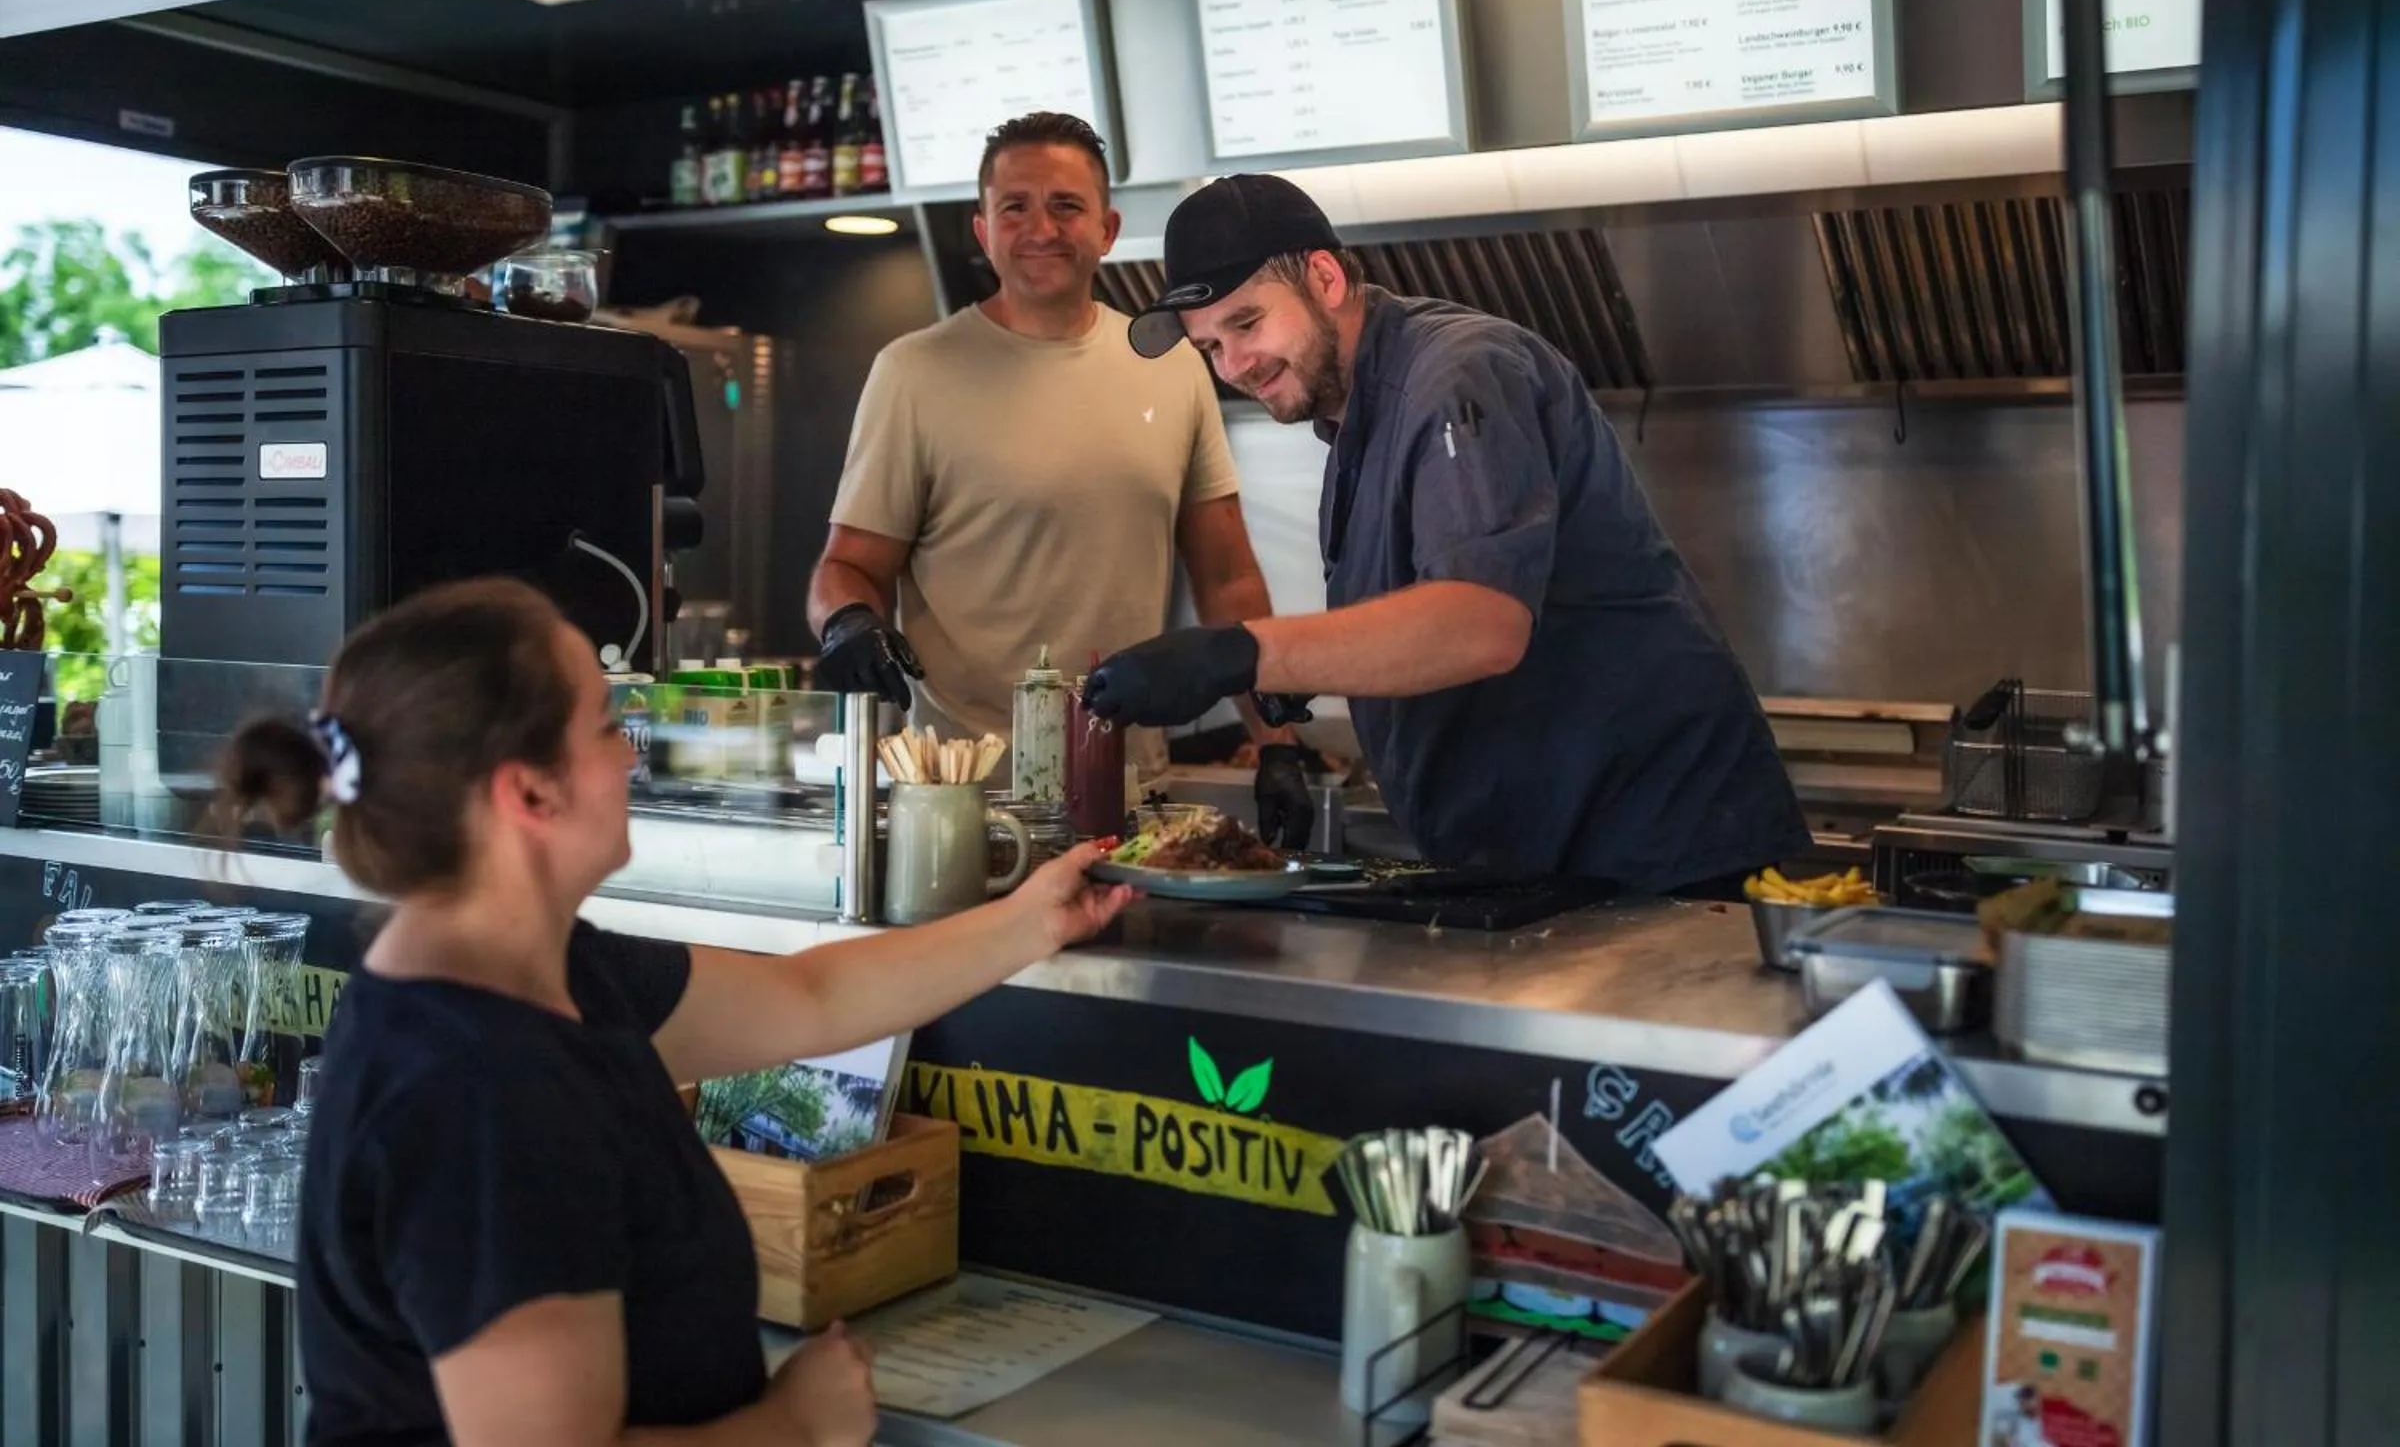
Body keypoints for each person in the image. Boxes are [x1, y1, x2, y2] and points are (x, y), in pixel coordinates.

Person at [216, 578, 1134, 1446]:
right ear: (527, 792)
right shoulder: (478, 1090)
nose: (633, 749)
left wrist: (1027, 920)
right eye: (609, 724)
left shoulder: (547, 969)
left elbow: (806, 999)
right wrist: (796, 1429)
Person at [1084, 175, 1810, 895]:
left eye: (1247, 324)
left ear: (1326, 278)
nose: (1234, 366)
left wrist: (1240, 654)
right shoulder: (1356, 422)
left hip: (1654, 860)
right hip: (1544, 861)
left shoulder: (1457, 375)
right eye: (1210, 347)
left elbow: (1479, 623)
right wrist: (1284, 706)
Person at [806, 111, 1313, 845]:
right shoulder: (913, 373)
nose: (1041, 228)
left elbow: (1229, 578)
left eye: (1066, 206)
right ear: (983, 231)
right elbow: (846, 567)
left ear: (1106, 230)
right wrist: (848, 622)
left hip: (1130, 802)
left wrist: (1278, 748)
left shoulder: (1170, 364)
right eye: (1015, 207)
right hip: (962, 804)